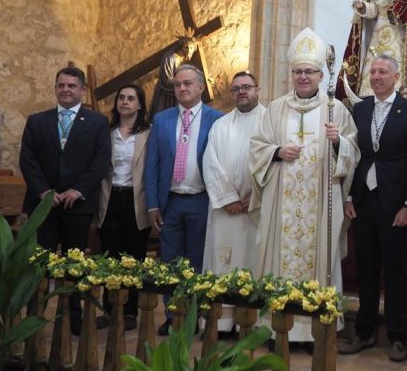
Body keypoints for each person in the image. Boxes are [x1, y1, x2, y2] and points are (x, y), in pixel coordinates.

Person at [249, 27, 360, 346]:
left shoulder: (336, 110)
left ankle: (317, 329)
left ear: (321, 75)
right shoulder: (276, 109)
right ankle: (276, 328)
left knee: (319, 261)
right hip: (282, 204)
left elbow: (354, 153)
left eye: (309, 71)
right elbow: (258, 148)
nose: (303, 76)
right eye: (297, 71)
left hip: (320, 207)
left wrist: (339, 142)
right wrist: (277, 152)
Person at [338, 54, 407, 362]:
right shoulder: (360, 109)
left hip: (395, 202)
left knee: (395, 272)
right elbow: (354, 156)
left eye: (382, 71)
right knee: (366, 269)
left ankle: (397, 337)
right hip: (363, 201)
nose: (376, 76)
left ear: (396, 77)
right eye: (372, 71)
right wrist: (349, 197)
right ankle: (363, 332)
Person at [19, 66, 111, 335]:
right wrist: (44, 192)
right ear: (55, 88)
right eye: (61, 85)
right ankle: (33, 314)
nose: (66, 89)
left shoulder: (97, 123)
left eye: (72, 86)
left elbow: (100, 161)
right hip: (43, 205)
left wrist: (79, 190)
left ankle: (74, 316)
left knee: (74, 264)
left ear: (82, 90)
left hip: (77, 206)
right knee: (39, 263)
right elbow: (28, 160)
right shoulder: (37, 121)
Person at [144, 64, 223, 335]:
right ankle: (172, 315)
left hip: (202, 199)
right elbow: (152, 164)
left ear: (201, 87)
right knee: (170, 261)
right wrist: (153, 203)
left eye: (188, 83)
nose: (182, 88)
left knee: (198, 260)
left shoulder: (217, 119)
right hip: (171, 202)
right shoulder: (162, 119)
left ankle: (196, 316)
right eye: (178, 84)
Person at [201, 71, 265, 335]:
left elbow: (273, 162)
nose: (241, 92)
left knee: (253, 265)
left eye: (246, 87)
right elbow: (210, 163)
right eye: (236, 88)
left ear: (257, 90)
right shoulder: (221, 125)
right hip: (225, 212)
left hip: (256, 211)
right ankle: (222, 323)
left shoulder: (271, 122)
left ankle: (250, 324)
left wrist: (255, 196)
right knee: (222, 264)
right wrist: (228, 198)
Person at [94, 84, 152, 331]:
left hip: (136, 198)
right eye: (121, 98)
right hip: (110, 197)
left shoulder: (149, 133)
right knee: (110, 254)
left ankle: (130, 311)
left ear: (140, 104)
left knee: (135, 255)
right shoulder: (106, 132)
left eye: (131, 98)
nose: (125, 102)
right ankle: (109, 308)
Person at [149, 35, 197, 120]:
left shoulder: (184, 60)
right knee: (163, 122)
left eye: (191, 48)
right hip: (166, 98)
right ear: (182, 47)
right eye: (186, 47)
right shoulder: (170, 58)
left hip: (177, 98)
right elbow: (166, 81)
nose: (189, 51)